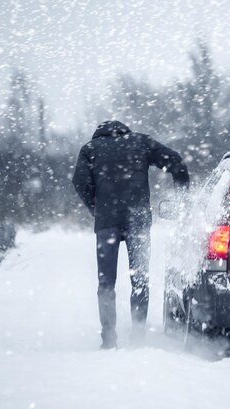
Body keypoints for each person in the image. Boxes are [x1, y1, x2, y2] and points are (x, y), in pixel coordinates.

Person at [72, 120, 189, 349]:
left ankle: (108, 338)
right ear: (124, 129)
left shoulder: (90, 149)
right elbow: (177, 163)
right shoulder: (140, 142)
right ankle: (137, 336)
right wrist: (182, 199)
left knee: (106, 282)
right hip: (138, 220)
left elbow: (79, 182)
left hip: (106, 222)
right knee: (140, 280)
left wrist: (95, 206)